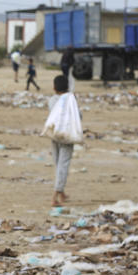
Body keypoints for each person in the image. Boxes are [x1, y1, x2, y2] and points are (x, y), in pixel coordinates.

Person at [46, 74, 81, 206]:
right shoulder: (71, 100)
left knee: (58, 163)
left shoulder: (52, 100)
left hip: (54, 135)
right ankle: (55, 196)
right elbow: (78, 116)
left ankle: (62, 193)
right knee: (63, 165)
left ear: (54, 88)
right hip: (67, 136)